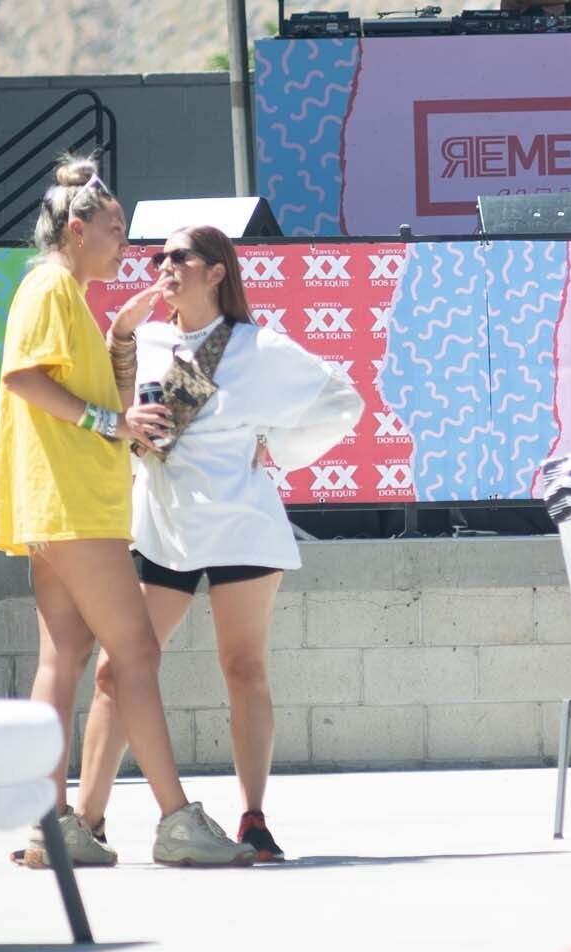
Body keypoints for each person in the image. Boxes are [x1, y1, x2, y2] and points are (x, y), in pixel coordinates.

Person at [77, 223, 362, 863]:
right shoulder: (141, 339)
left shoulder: (260, 348)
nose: (164, 266)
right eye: (159, 257)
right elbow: (104, 410)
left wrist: (280, 448)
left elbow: (344, 399)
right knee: (115, 669)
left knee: (243, 666)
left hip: (241, 523)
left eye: (180, 256)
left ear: (215, 271)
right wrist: (124, 386)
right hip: (161, 521)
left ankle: (253, 817)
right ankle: (86, 822)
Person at [0, 158, 241, 867]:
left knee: (64, 659)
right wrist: (109, 422)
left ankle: (53, 825)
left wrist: (123, 335)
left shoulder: (69, 293)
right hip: (72, 504)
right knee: (135, 653)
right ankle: (175, 821)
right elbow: (24, 376)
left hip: (66, 501)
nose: (126, 245)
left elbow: (101, 393)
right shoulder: (49, 286)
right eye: (115, 229)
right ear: (75, 229)